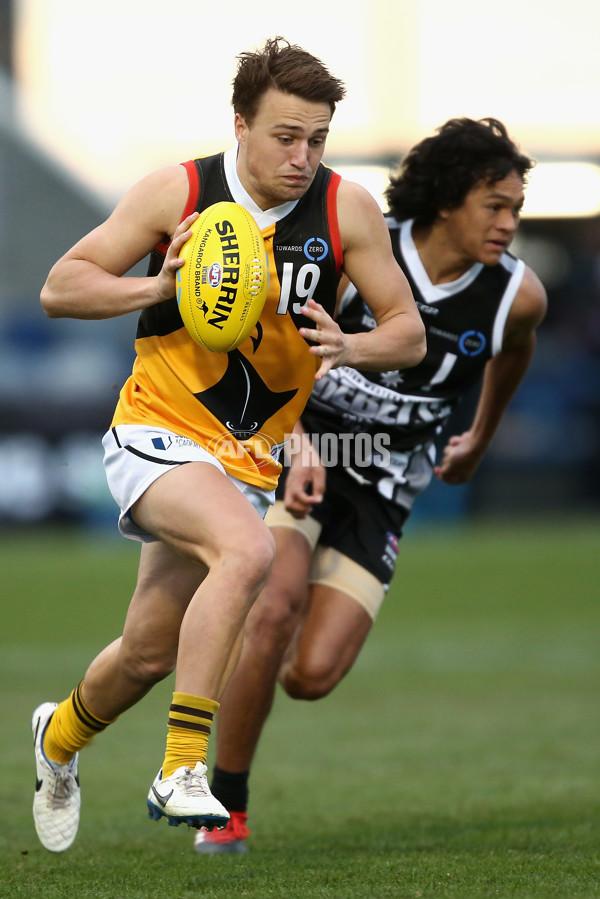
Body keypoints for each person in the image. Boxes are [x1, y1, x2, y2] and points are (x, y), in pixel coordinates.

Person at [31, 36, 425, 853]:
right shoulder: (177, 191)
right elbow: (60, 287)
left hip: (247, 456)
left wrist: (352, 348)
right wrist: (156, 285)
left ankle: (57, 740)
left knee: (147, 652)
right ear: (239, 124)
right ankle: (181, 767)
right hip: (156, 429)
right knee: (247, 554)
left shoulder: (345, 210)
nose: (303, 156)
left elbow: (408, 333)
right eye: (286, 136)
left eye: (317, 138)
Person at [193, 116, 548, 854]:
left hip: (387, 483)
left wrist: (480, 433)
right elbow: (266, 347)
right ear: (448, 198)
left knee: (311, 675)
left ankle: (240, 657)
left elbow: (514, 353)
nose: (509, 222)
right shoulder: (363, 247)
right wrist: (291, 438)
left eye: (516, 206)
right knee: (275, 606)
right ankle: (226, 806)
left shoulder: (518, 294)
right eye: (495, 205)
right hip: (307, 452)